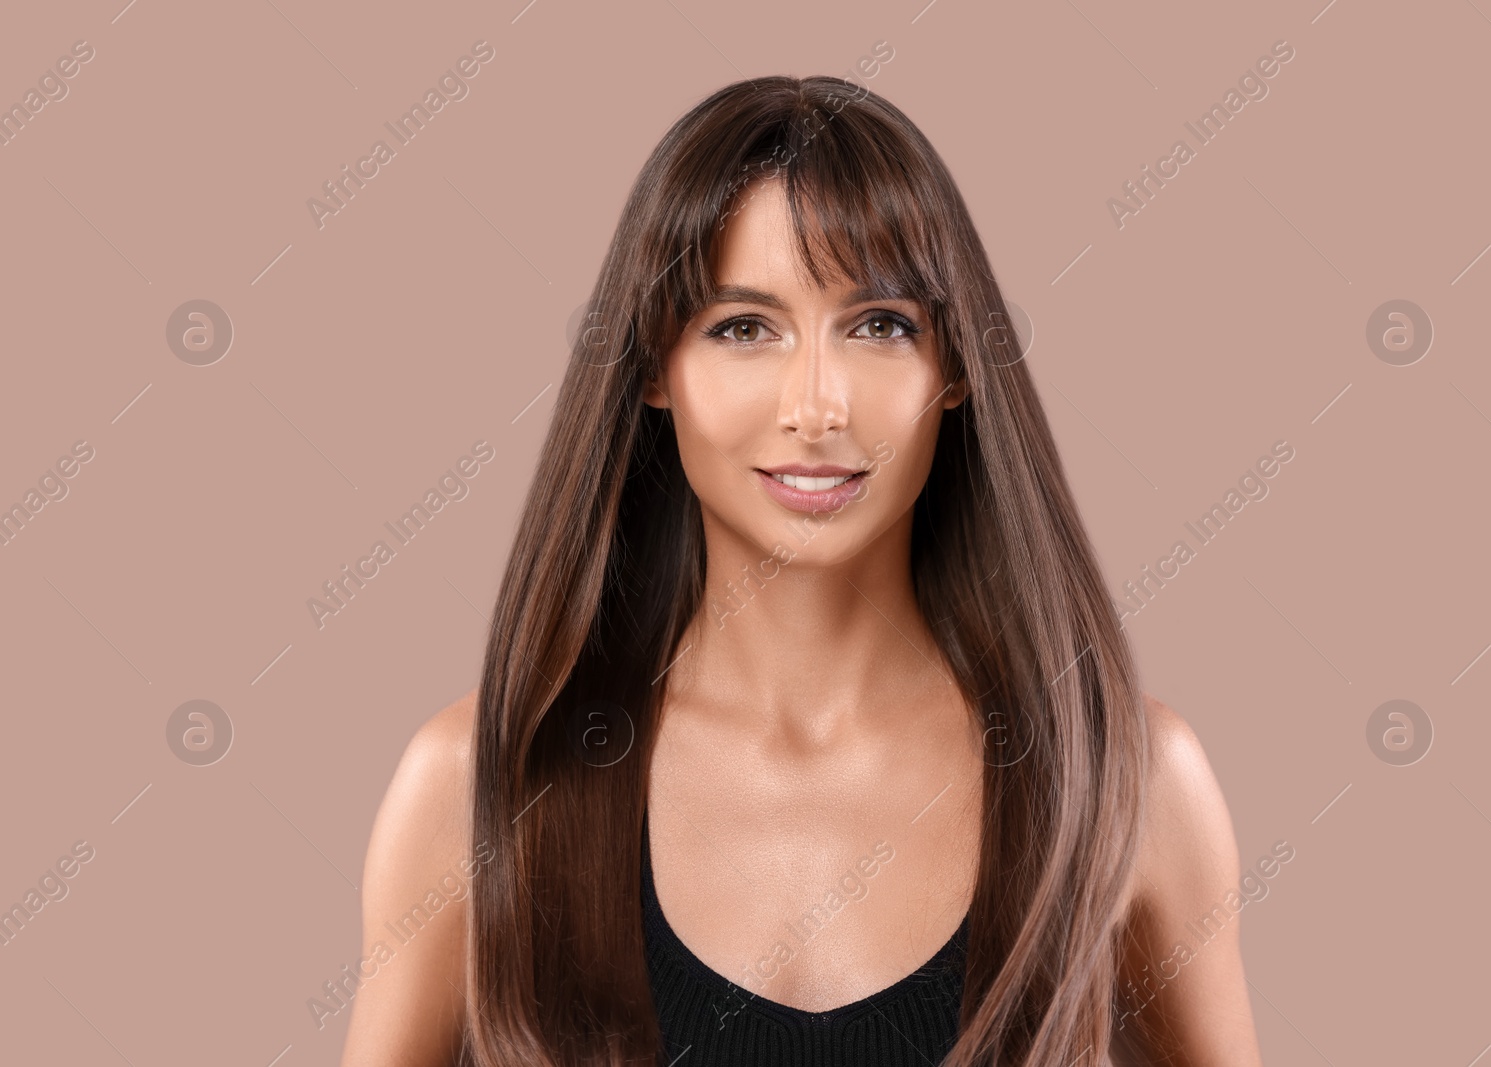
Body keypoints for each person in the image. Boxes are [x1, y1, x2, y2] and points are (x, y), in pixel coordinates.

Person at [339, 75, 1262, 1066]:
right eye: (743, 327)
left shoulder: (1127, 777)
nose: (817, 406)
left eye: (879, 324)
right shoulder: (482, 781)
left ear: (954, 367)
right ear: (654, 368)